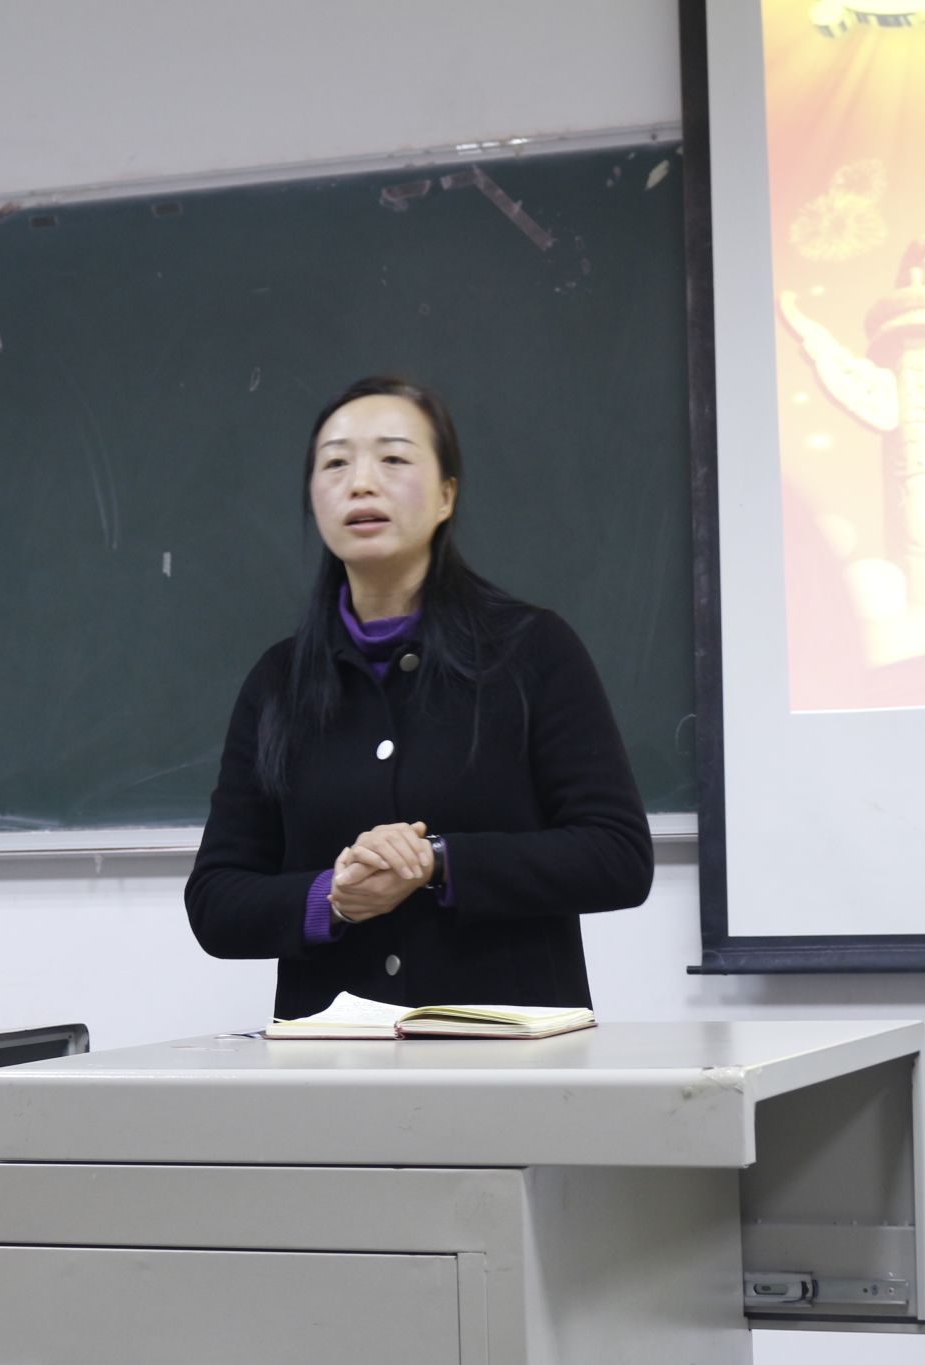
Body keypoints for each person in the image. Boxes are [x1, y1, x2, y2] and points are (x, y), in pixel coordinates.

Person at [185, 375, 654, 1020]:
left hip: (510, 1052)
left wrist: (438, 862)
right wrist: (333, 899)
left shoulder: (532, 650)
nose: (361, 483)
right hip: (333, 1060)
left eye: (394, 459)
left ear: (446, 496)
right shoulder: (279, 681)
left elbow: (617, 857)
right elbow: (216, 901)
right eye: (335, 464)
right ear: (314, 500)